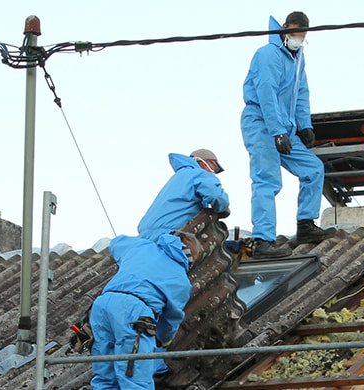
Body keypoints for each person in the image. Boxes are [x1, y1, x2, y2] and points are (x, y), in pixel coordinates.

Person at [89, 149, 230, 390]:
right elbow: (171, 317)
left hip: (102, 305)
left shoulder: (140, 249)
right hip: (135, 312)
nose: (215, 172)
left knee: (104, 374)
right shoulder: (196, 173)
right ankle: (154, 362)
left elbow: (118, 243)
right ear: (205, 162)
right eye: (215, 167)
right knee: (135, 376)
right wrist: (163, 342)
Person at [240, 11, 332, 259]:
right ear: (284, 28)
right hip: (261, 123)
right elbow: (266, 93)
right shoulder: (267, 54)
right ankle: (263, 240)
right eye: (295, 31)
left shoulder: (299, 58)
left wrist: (305, 125)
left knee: (313, 169)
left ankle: (306, 226)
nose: (298, 36)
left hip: (286, 127)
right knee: (267, 180)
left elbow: (302, 92)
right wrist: (277, 131)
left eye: (302, 32)